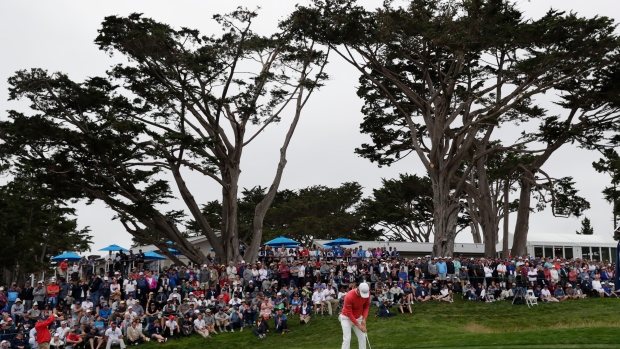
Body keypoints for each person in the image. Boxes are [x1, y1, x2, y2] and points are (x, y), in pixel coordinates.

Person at [339, 282, 370, 349]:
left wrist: (364, 319)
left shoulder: (367, 293)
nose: (363, 296)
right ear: (358, 289)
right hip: (346, 318)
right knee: (347, 338)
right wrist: (358, 325)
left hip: (358, 317)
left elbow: (366, 306)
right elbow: (349, 313)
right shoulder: (349, 296)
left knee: (362, 337)